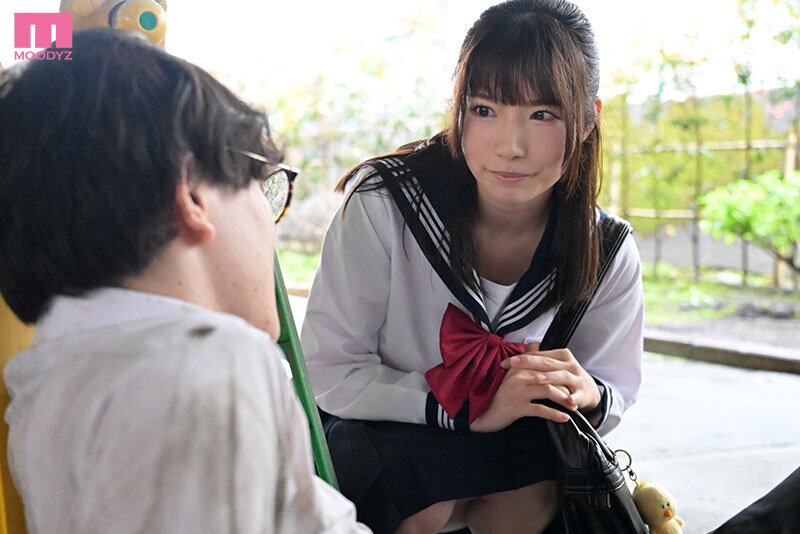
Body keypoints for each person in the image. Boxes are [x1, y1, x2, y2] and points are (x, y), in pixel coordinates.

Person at [0, 29, 369, 534]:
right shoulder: (206, 363)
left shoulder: (47, 390)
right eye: (263, 188)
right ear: (192, 194)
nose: (271, 225)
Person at [300, 1, 644, 533]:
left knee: (535, 480)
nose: (511, 146)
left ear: (588, 118)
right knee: (415, 485)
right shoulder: (386, 203)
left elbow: (614, 387)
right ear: (458, 108)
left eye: (542, 115)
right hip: (382, 431)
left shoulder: (606, 247)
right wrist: (466, 409)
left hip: (515, 458)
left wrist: (586, 391)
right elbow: (329, 368)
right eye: (485, 110)